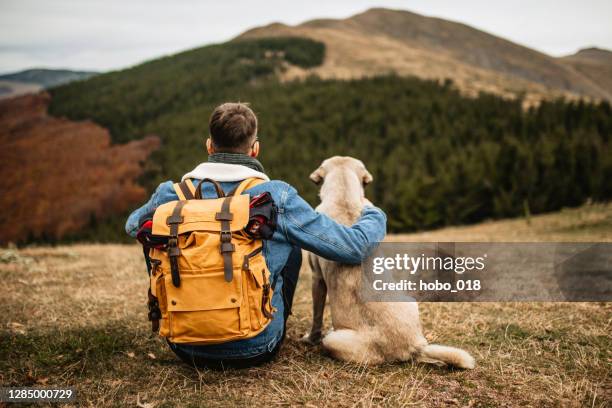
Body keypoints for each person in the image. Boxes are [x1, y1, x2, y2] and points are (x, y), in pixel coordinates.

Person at [125, 102, 387, 369]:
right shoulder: (274, 196)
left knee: (161, 235)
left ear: (209, 146)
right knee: (292, 243)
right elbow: (355, 247)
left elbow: (134, 226)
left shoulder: (171, 194)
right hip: (257, 346)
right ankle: (267, 315)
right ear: (255, 148)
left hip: (184, 344)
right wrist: (373, 212)